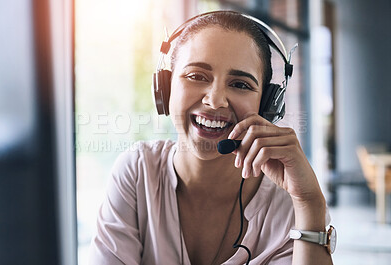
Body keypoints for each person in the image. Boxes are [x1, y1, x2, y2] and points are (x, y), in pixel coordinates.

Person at [89, 11, 334, 265]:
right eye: (196, 76)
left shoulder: (291, 205)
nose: (215, 100)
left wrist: (309, 203)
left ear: (267, 106)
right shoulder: (138, 172)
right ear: (166, 86)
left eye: (240, 84)